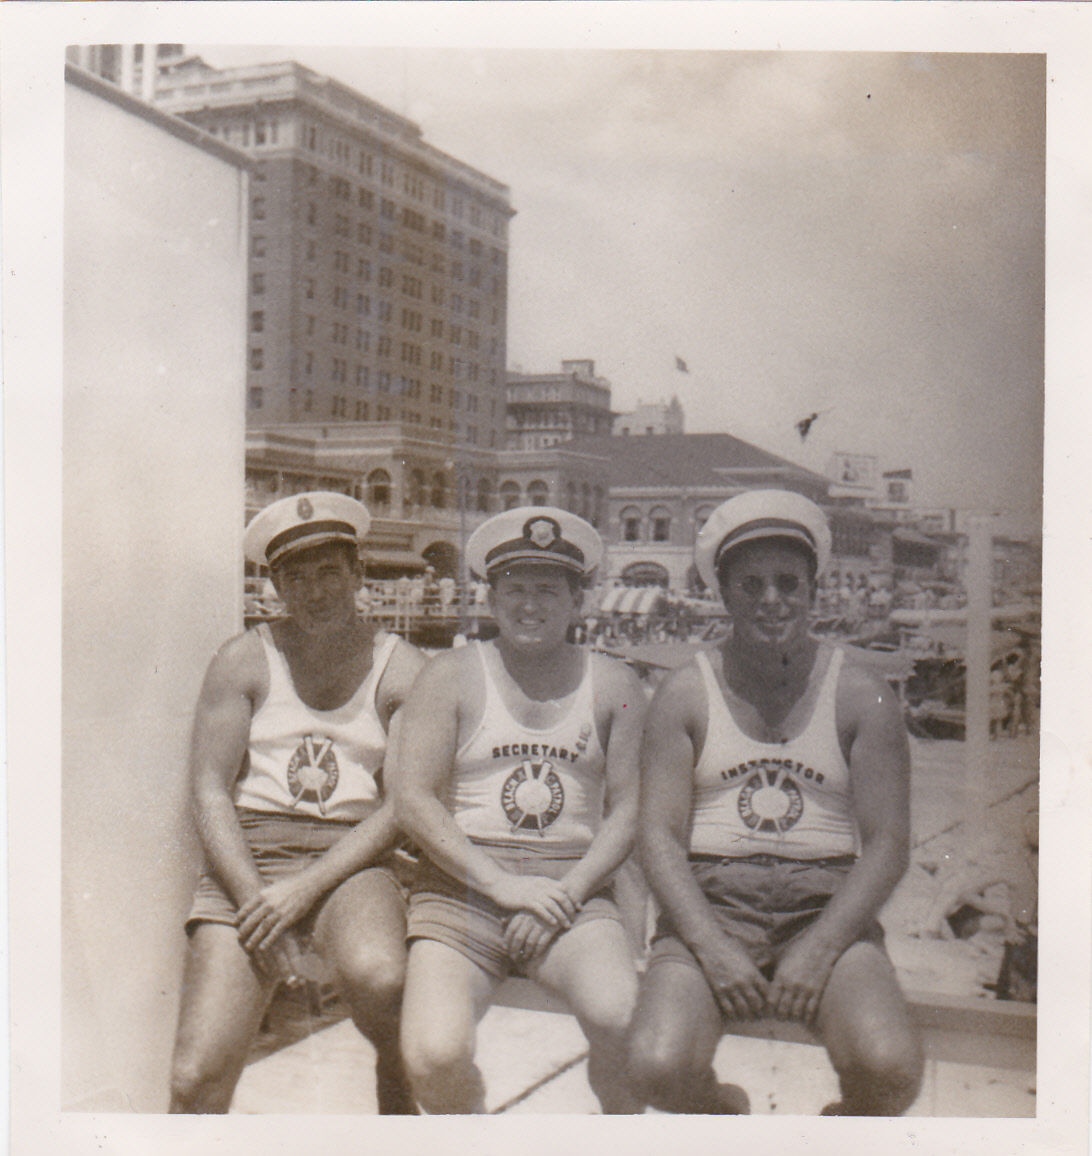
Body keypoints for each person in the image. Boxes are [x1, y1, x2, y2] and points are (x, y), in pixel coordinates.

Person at [628, 490, 923, 1115]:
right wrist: (710, 946)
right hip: (712, 903)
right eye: (751, 584)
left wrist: (818, 951)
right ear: (724, 593)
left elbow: (889, 844)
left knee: (890, 1070)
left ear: (814, 590)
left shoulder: (861, 695)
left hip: (824, 908)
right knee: (657, 1068)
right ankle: (723, 1115)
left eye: (788, 583)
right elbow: (657, 837)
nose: (771, 601)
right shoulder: (684, 693)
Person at [169, 492, 425, 1114]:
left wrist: (304, 890)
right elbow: (209, 789)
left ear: (360, 574)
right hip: (248, 861)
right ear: (275, 584)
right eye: (296, 578)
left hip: (351, 860)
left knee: (383, 981)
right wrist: (257, 899)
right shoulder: (244, 660)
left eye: (330, 573)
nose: (315, 592)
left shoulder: (403, 668)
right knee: (194, 1076)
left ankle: (399, 1105)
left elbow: (403, 807)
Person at [393, 507, 646, 1113]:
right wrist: (504, 886)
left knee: (624, 1019)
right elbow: (413, 800)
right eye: (515, 589)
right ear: (491, 595)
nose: (529, 604)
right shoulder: (448, 675)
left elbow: (631, 808)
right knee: (433, 1054)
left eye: (548, 590)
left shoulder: (614, 683)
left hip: (573, 892)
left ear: (577, 599)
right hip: (461, 891)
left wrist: (567, 892)